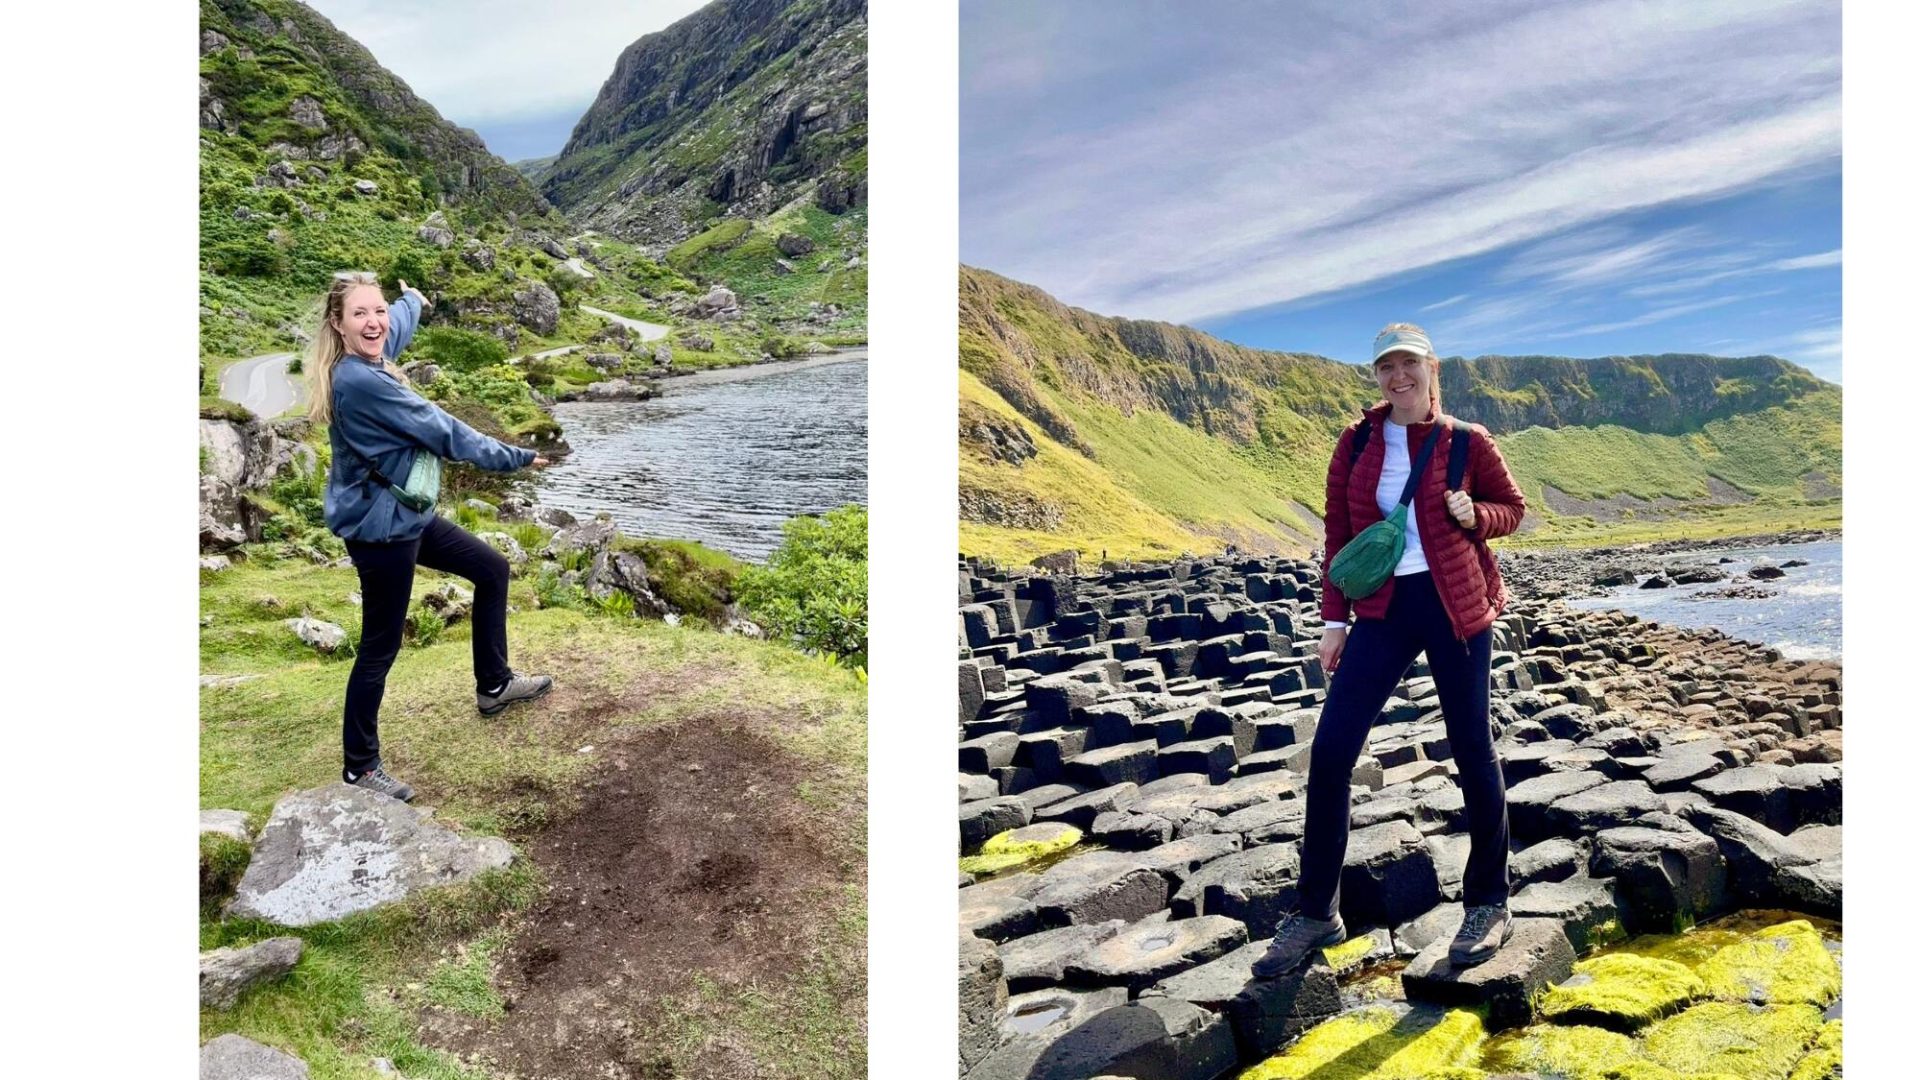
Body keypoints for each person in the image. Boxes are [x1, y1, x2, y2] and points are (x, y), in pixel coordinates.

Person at [1252, 322, 1528, 976]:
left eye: (1409, 364)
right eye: (1386, 367)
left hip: (1456, 608)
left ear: (1432, 368)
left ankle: (1489, 901)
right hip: (1381, 611)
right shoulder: (1355, 444)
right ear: (1377, 376)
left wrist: (1475, 516)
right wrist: (1334, 622)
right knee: (1332, 747)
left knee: (1471, 747)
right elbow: (1339, 538)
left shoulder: (1468, 442)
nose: (1398, 377)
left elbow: (1511, 510)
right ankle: (1318, 911)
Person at [307, 271, 555, 803]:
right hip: (381, 531)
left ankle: (494, 686)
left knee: (491, 569)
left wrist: (410, 302)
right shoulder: (360, 382)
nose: (374, 322)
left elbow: (392, 330)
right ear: (338, 324)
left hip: (406, 517)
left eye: (377, 311)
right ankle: (360, 767)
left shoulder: (369, 354)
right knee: (379, 645)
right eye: (360, 314)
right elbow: (443, 429)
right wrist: (515, 456)